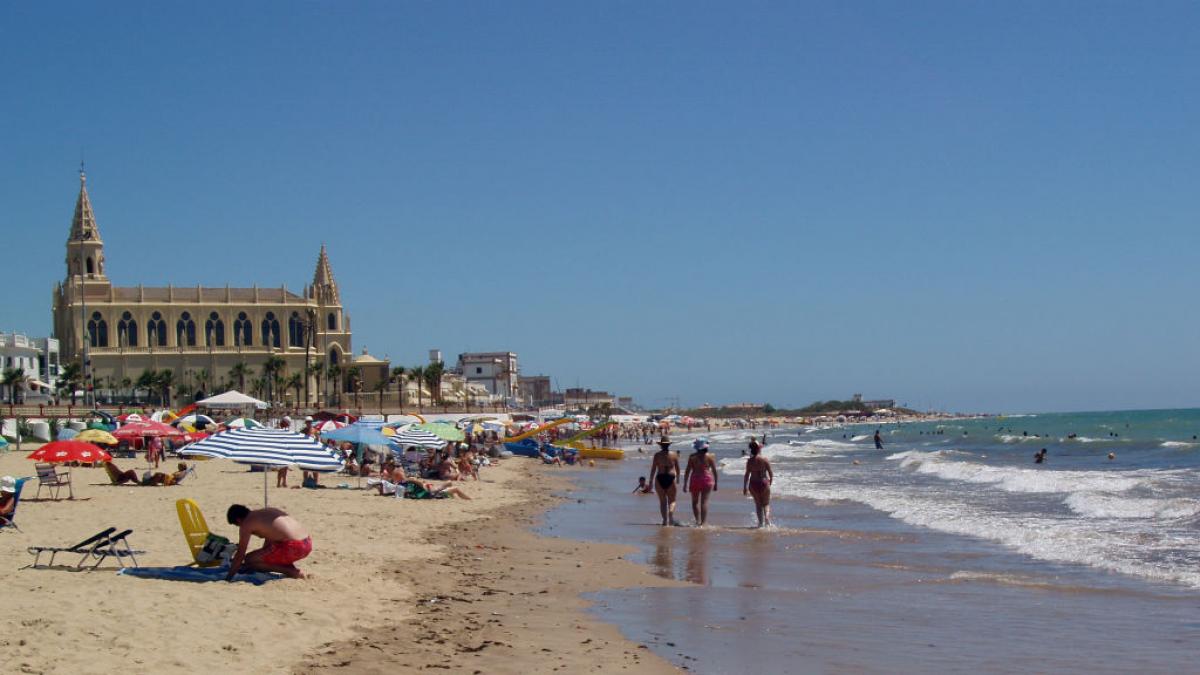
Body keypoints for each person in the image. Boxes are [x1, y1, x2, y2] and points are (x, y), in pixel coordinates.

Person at [225, 504, 312, 580]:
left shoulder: (247, 523)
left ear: (238, 520)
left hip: (293, 547)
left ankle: (291, 572)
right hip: (307, 542)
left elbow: (240, 554)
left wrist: (229, 577)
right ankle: (290, 569)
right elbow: (271, 541)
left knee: (249, 560)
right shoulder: (266, 512)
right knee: (261, 558)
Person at [682, 437, 718, 526]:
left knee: (694, 502)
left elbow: (687, 471)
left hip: (695, 479)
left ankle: (697, 521)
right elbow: (714, 470)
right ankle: (703, 523)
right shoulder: (710, 456)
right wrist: (716, 483)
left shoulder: (692, 457)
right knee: (704, 502)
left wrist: (685, 484)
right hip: (707, 479)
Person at [647, 436, 682, 526]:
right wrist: (678, 478)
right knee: (672, 501)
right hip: (671, 477)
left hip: (660, 477)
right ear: (669, 445)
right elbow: (678, 468)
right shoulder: (674, 455)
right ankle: (670, 514)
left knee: (662, 502)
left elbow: (653, 469)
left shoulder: (657, 455)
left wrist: (650, 481)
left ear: (661, 445)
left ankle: (665, 520)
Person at [743, 441, 774, 527]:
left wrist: (745, 487)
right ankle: (767, 518)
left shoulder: (749, 461)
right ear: (759, 449)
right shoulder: (764, 460)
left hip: (753, 484)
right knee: (766, 503)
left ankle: (760, 523)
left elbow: (747, 474)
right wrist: (771, 480)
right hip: (763, 482)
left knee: (758, 504)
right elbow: (770, 472)